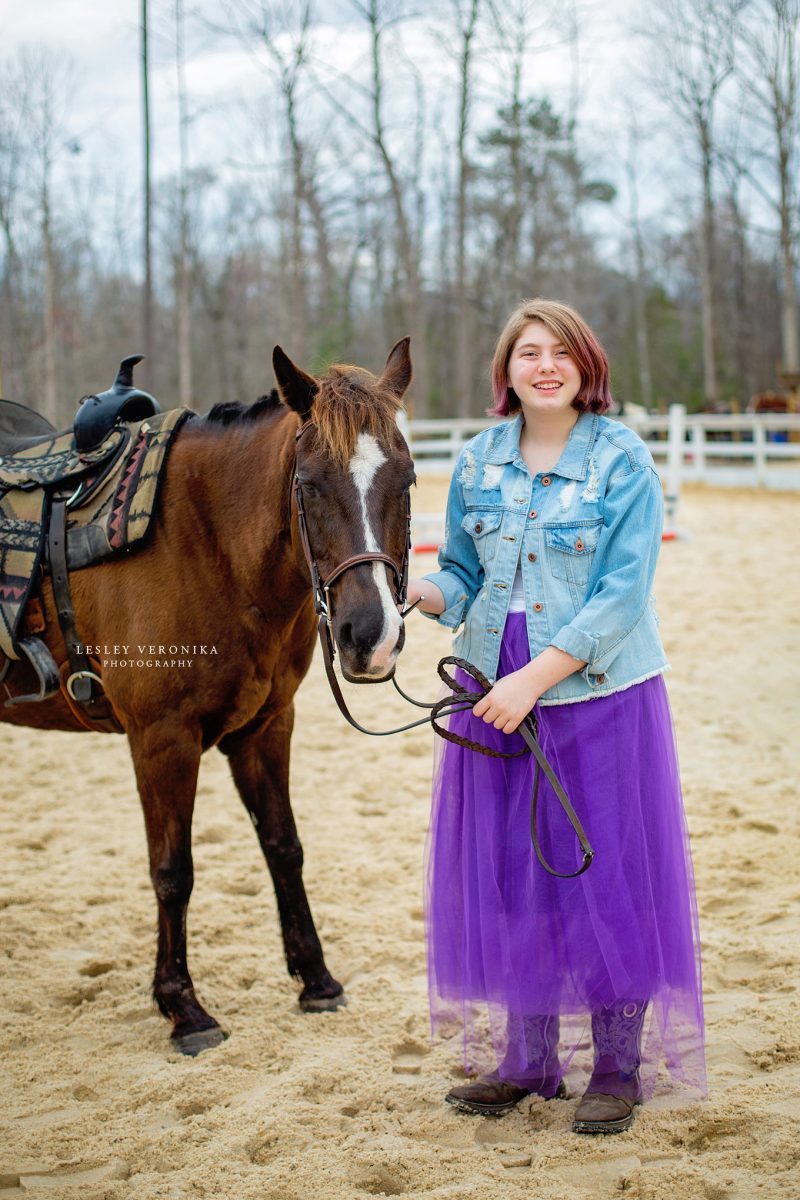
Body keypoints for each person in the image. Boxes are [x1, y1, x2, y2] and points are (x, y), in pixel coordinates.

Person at [405, 299, 706, 1134]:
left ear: (586, 366)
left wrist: (533, 678)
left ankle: (616, 1067)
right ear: (505, 371)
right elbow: (461, 573)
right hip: (492, 697)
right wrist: (409, 595)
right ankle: (528, 1062)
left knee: (604, 874)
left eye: (560, 352)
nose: (544, 365)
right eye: (527, 352)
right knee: (511, 876)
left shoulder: (620, 460)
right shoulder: (477, 461)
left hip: (593, 695)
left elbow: (622, 594)